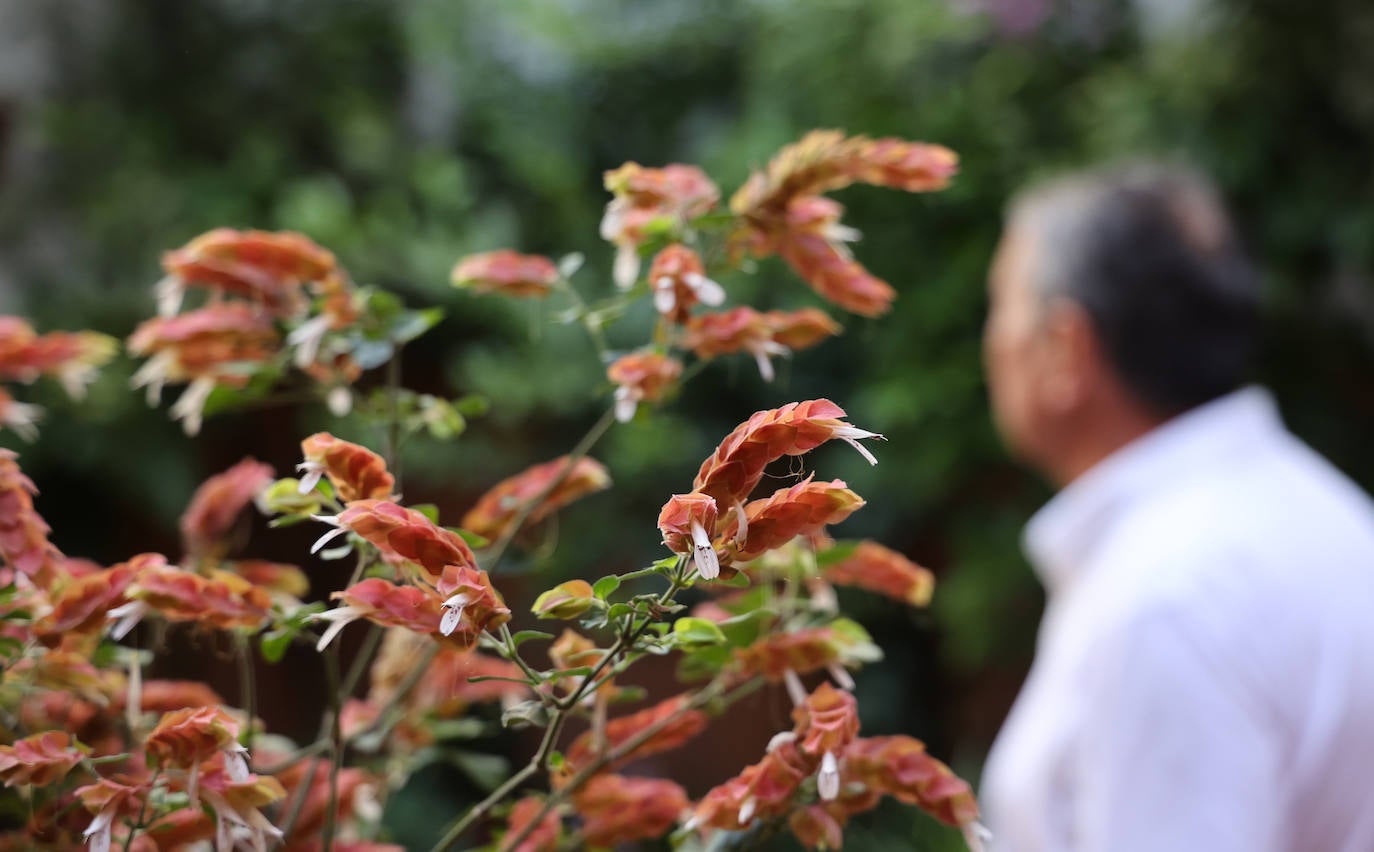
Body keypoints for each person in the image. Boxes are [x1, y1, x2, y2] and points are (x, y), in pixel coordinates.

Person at [979, 163, 1374, 851]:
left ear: (1065, 350)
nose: (991, 343)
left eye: (1000, 306)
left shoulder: (1167, 598)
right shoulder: (1313, 511)